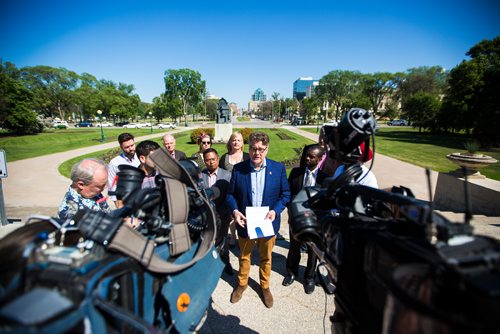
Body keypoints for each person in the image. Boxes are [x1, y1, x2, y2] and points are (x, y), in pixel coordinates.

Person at [226, 132, 291, 308]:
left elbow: (285, 194)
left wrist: (276, 211)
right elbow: (230, 195)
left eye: (261, 149)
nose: (257, 153)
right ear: (249, 148)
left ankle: (265, 286)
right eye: (254, 149)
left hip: (267, 223)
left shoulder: (277, 169)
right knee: (244, 257)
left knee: (266, 257)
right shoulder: (239, 169)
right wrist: (235, 211)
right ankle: (242, 284)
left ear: (267, 149)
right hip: (246, 222)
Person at [283, 145, 328, 294]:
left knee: (312, 250)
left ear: (320, 159)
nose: (307, 158)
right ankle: (291, 272)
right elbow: (288, 194)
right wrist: (292, 212)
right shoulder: (296, 173)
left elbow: (326, 203)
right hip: (297, 219)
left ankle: (309, 278)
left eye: (311, 156)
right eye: (306, 155)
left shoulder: (325, 178)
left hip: (315, 222)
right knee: (294, 247)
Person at [200, 148, 233, 275]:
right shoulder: (200, 175)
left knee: (222, 240)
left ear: (218, 159)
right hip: (206, 215)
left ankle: (225, 263)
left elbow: (230, 195)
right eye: (207, 160)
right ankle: (208, 265)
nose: (211, 162)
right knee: (206, 241)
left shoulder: (227, 175)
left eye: (213, 159)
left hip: (222, 214)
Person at [219, 131, 250, 247]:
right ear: (230, 142)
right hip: (228, 190)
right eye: (234, 140)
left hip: (242, 190)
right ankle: (233, 236)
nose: (236, 142)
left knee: (242, 212)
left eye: (239, 140)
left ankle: (245, 235)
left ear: (242, 143)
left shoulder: (247, 157)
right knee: (230, 214)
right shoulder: (224, 157)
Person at [107, 133, 140, 206]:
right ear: (121, 147)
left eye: (132, 145)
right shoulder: (114, 163)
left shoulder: (141, 157)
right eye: (127, 147)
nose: (131, 149)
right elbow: (112, 185)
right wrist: (117, 203)